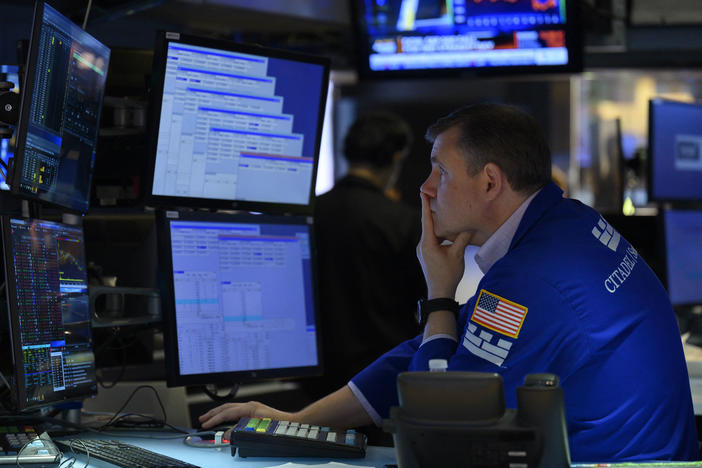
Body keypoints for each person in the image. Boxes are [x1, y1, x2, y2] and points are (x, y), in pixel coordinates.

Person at [199, 103, 698, 462]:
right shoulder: (566, 224)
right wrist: (295, 420)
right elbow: (436, 348)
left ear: (489, 182)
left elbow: (437, 421)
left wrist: (440, 291)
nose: (425, 188)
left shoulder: (531, 276)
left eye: (440, 171)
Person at [303, 111, 425, 401]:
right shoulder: (404, 221)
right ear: (396, 159)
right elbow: (423, 300)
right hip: (381, 374)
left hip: (315, 375)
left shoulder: (309, 213)